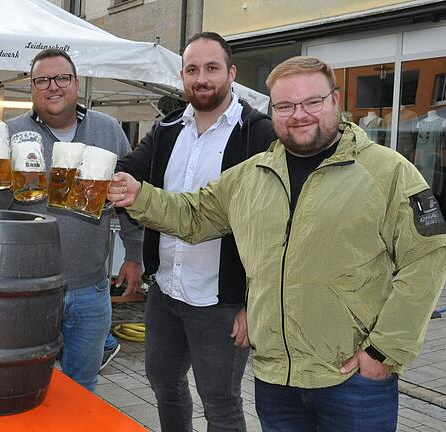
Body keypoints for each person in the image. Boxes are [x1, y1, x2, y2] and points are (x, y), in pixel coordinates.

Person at [108, 56, 446, 432]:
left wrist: (384, 351)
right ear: (273, 111)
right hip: (275, 378)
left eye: (312, 102)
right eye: (285, 106)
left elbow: (427, 258)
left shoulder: (388, 172)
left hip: (353, 380)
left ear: (336, 101)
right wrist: (139, 196)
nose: (299, 114)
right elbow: (192, 215)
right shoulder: (250, 176)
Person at [115, 32, 276, 432]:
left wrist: (253, 302)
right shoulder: (168, 130)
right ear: (182, 75)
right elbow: (128, 168)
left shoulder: (258, 134)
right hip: (166, 291)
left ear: (231, 73)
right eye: (192, 69)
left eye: (211, 68)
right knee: (164, 385)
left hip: (222, 300)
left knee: (220, 402)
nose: (201, 78)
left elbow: (275, 229)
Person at [0, 48, 144, 391]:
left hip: (90, 285)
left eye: (62, 78)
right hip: (28, 288)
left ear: (76, 83)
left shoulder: (109, 129)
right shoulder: (8, 132)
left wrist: (135, 255)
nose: (53, 86)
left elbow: (129, 197)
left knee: (83, 385)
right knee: (25, 383)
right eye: (42, 80)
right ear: (31, 87)